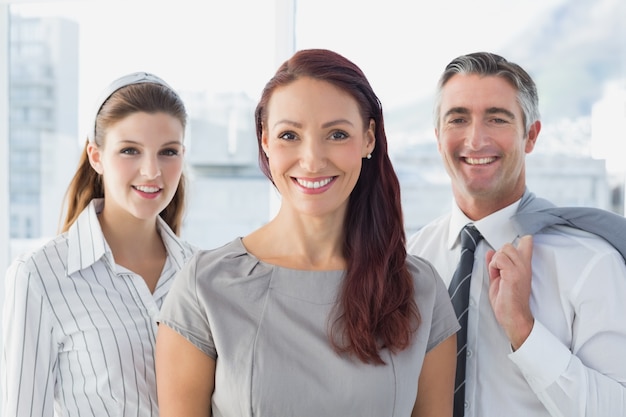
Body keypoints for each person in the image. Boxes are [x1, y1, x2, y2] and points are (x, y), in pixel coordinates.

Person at [155, 48, 460, 417]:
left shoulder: (420, 290)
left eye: (336, 134)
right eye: (289, 135)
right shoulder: (205, 286)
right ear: (265, 141)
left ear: (368, 138)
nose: (313, 160)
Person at [407, 51, 626, 417]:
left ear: (531, 135)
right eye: (458, 119)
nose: (475, 140)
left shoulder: (592, 262)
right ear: (438, 136)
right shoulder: (410, 261)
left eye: (497, 119)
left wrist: (524, 330)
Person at [2, 72, 197, 417]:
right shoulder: (39, 277)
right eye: (130, 151)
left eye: (168, 152)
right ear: (96, 156)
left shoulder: (201, 273)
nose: (152, 171)